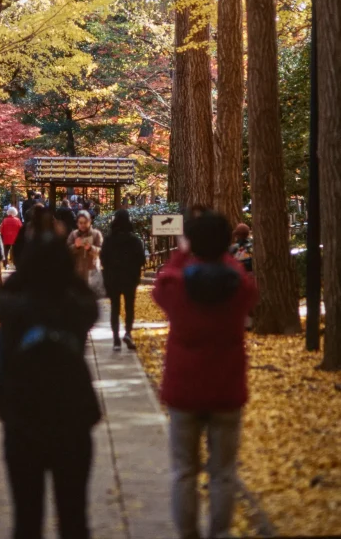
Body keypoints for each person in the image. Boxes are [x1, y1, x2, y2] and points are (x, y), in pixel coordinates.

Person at [152, 210, 258, 539]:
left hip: (184, 388)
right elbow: (245, 283)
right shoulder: (240, 287)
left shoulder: (178, 288)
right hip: (226, 387)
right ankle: (220, 532)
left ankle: (187, 533)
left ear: (194, 243)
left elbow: (162, 283)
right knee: (223, 472)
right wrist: (222, 252)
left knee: (184, 470)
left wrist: (182, 253)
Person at [0, 234, 101, 539]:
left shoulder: (14, 309)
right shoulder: (75, 310)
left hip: (22, 418)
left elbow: (3, 296)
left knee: (26, 519)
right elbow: (89, 300)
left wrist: (23, 272)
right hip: (73, 418)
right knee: (74, 516)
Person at [101, 209, 145, 352]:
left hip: (113, 278)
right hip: (130, 278)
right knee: (129, 307)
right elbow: (141, 259)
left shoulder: (109, 240)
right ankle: (128, 333)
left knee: (115, 308)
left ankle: (116, 339)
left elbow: (103, 258)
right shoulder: (134, 240)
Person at [67, 211, 103, 284]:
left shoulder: (96, 234)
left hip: (92, 271)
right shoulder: (73, 234)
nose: (83, 225)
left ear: (90, 222)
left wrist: (90, 248)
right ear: (77, 223)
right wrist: (75, 246)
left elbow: (101, 251)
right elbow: (66, 252)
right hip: (77, 272)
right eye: (80, 223)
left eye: (85, 222)